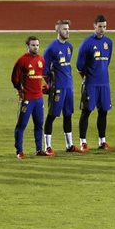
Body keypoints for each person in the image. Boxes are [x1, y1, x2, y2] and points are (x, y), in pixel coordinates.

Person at [76, 14, 114, 151]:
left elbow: (107, 61)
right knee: (86, 111)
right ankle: (83, 142)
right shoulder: (87, 43)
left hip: (104, 83)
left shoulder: (108, 42)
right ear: (94, 26)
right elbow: (79, 66)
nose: (102, 29)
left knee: (103, 112)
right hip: (91, 84)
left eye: (104, 26)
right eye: (100, 26)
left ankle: (102, 141)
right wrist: (87, 77)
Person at [11, 36, 50, 158]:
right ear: (28, 46)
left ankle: (39, 149)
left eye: (37, 45)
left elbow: (44, 75)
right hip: (27, 98)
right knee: (21, 125)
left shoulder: (41, 59)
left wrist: (47, 86)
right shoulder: (22, 60)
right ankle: (19, 151)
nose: (36, 47)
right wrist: (20, 90)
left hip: (39, 99)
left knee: (39, 124)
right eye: (33, 45)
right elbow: (15, 78)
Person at [43, 19, 77, 153]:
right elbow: (44, 70)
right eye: (64, 29)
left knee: (68, 115)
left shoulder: (69, 47)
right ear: (57, 30)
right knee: (52, 115)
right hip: (57, 87)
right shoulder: (51, 48)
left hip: (68, 87)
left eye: (68, 29)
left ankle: (69, 145)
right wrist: (50, 84)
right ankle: (47, 146)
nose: (67, 31)